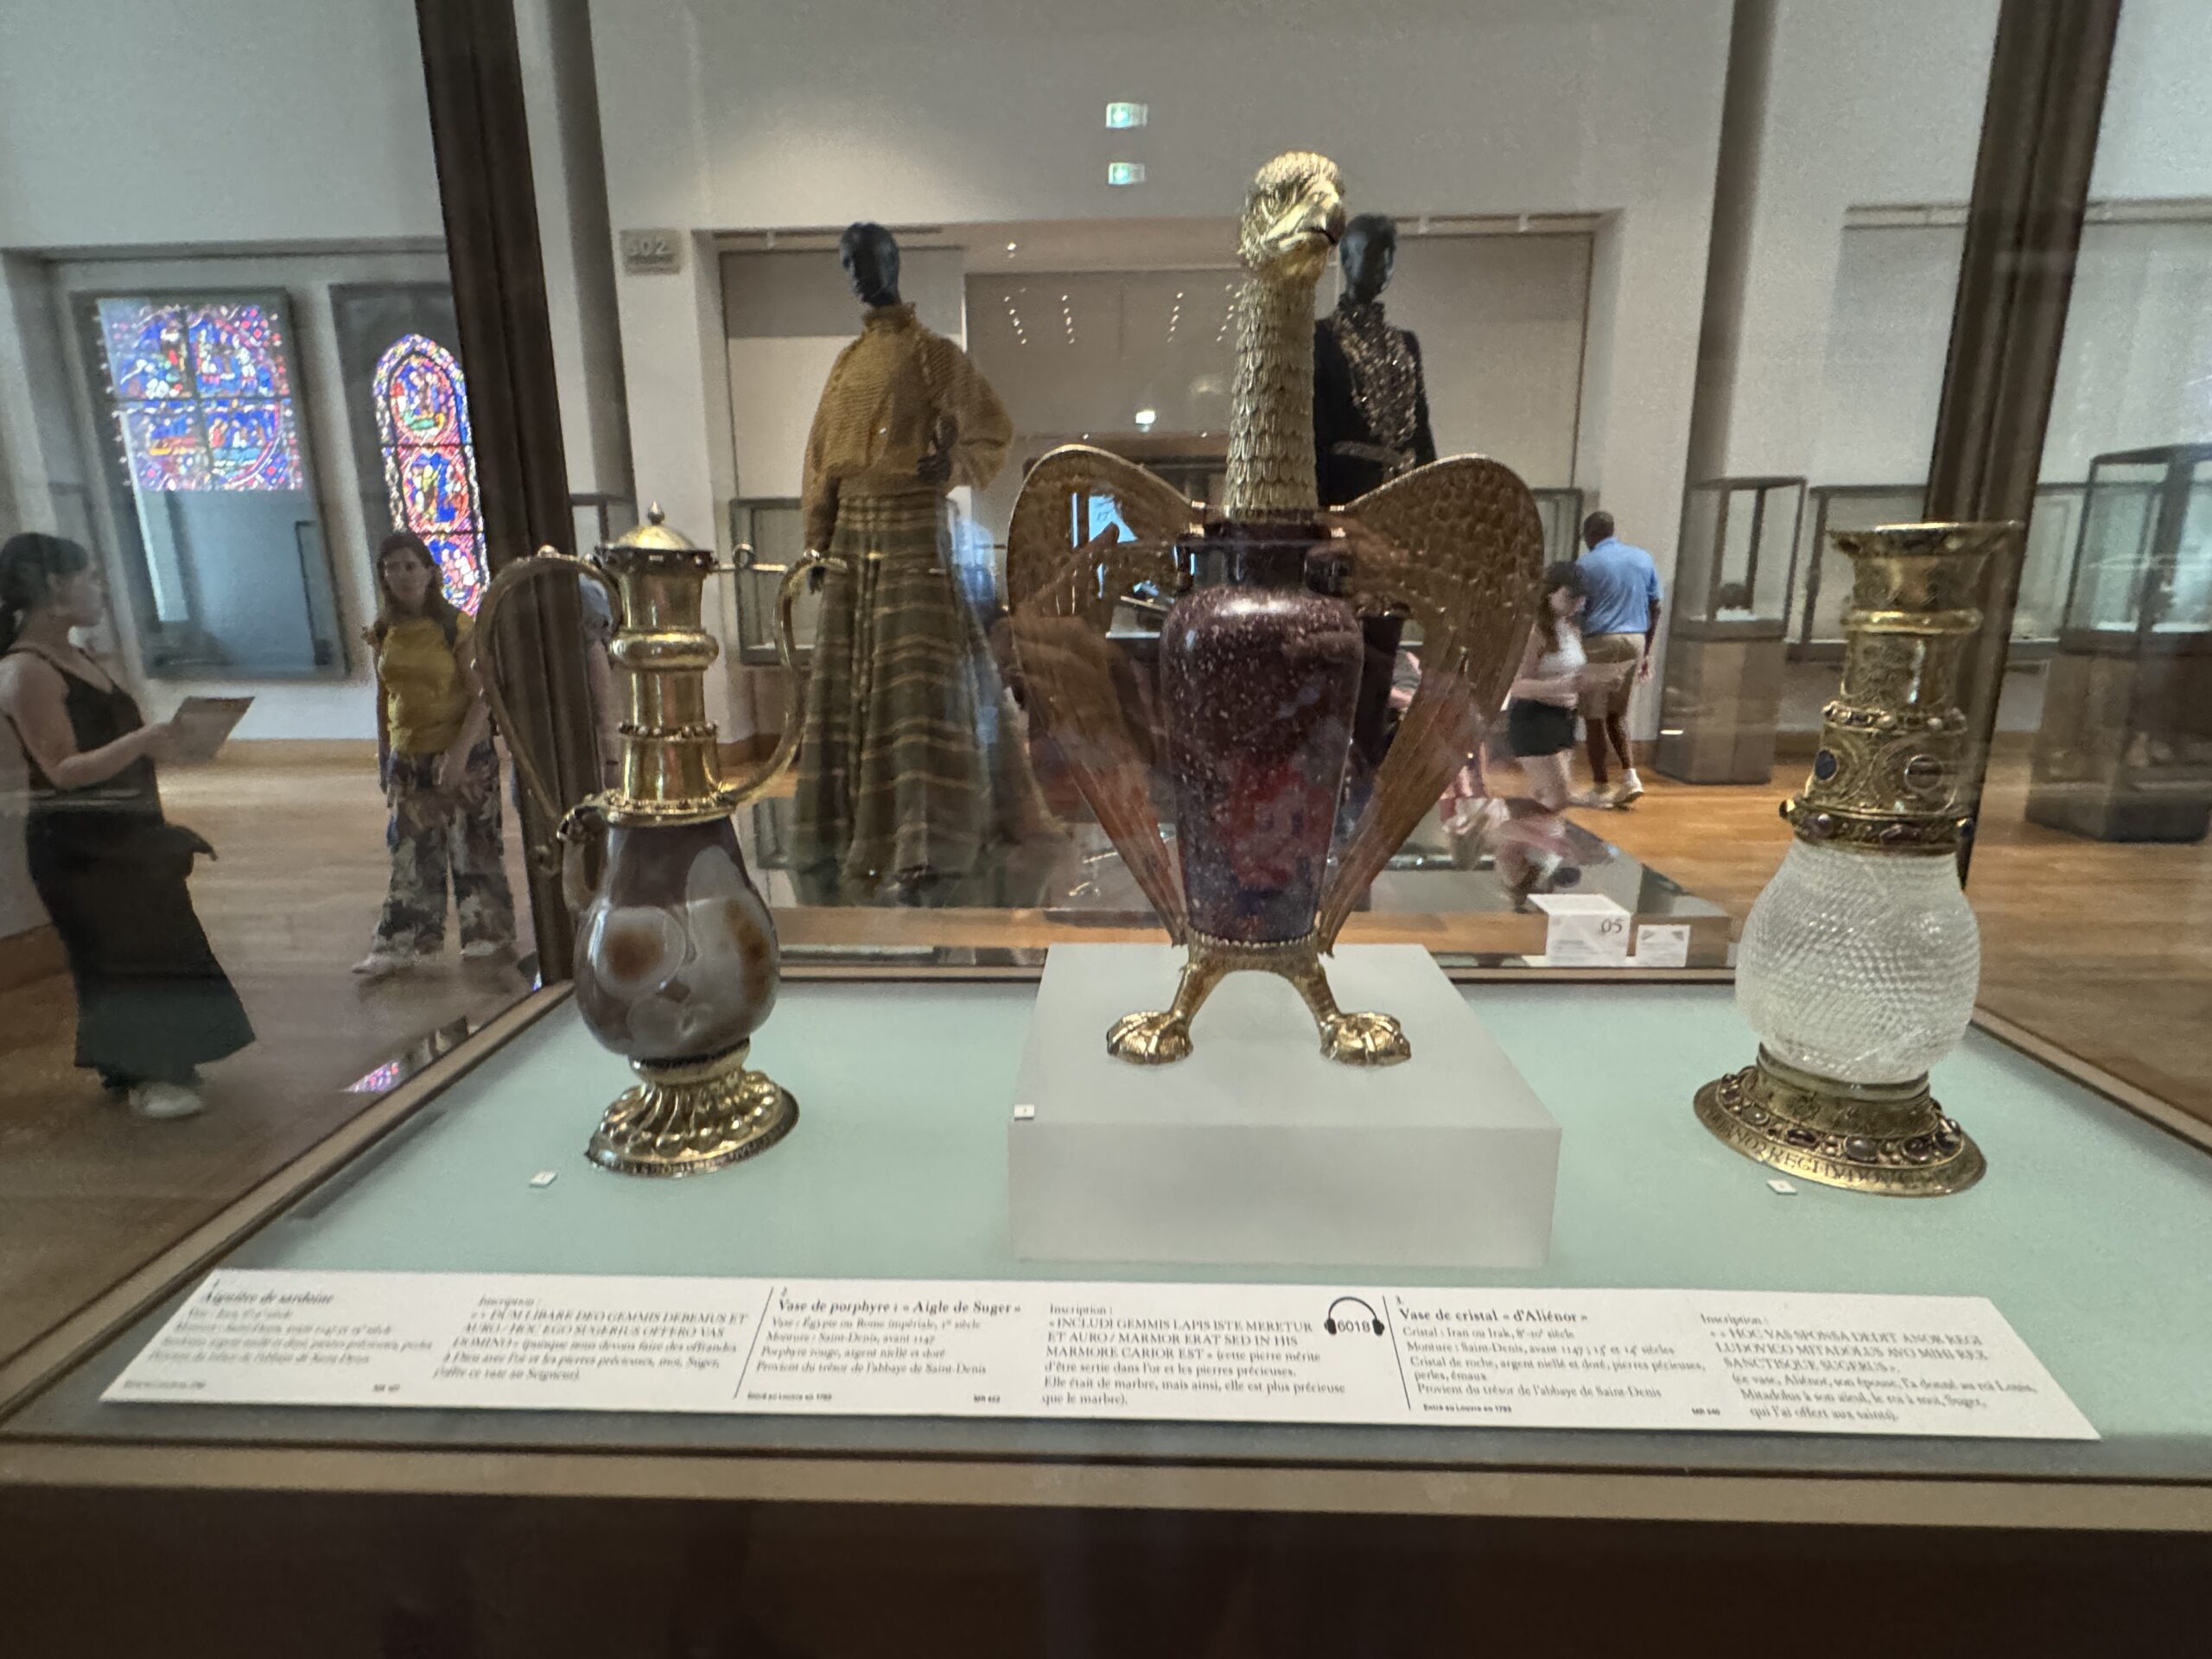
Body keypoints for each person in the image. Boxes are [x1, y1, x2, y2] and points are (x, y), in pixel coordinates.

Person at [0, 531, 253, 1118]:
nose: (100, 589)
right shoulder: (27, 671)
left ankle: (160, 1060)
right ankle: (146, 1073)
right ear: (54, 586)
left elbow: (107, 748)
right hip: (80, 846)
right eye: (89, 578)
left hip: (124, 831)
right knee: (119, 956)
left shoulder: (81, 658)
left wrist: (168, 743)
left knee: (157, 946)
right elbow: (62, 769)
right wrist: (142, 740)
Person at [356, 531, 515, 980]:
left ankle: (488, 933)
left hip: (462, 752)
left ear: (429, 572)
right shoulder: (384, 631)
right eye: (392, 568)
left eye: (410, 566)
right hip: (410, 755)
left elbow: (483, 694)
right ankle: (404, 940)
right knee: (410, 849)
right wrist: (385, 754)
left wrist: (460, 753)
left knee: (473, 845)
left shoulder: (456, 628)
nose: (402, 576)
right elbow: (386, 696)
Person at [1497, 562, 1592, 907]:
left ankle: (1516, 825)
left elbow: (1572, 675)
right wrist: (1561, 686)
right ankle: (1509, 826)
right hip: (1535, 718)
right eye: (1570, 597)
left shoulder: (1569, 628)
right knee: (1559, 798)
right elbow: (1516, 684)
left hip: (1563, 717)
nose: (1576, 605)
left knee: (1547, 800)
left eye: (1580, 599)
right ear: (1550, 593)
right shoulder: (1535, 632)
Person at [1572, 510, 1662, 808]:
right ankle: (1630, 776)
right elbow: (1655, 606)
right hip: (1636, 638)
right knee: (1618, 713)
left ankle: (1600, 786)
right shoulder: (1643, 558)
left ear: (1589, 535)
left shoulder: (1586, 564)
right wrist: (1646, 651)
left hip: (1600, 639)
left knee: (1594, 715)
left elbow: (1577, 610)